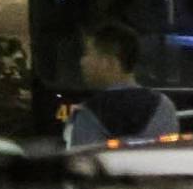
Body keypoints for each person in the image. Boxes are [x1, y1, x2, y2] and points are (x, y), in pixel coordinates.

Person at [64, 20, 180, 148]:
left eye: (87, 53)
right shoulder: (164, 107)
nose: (82, 62)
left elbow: (82, 163)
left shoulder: (86, 115)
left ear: (108, 63)